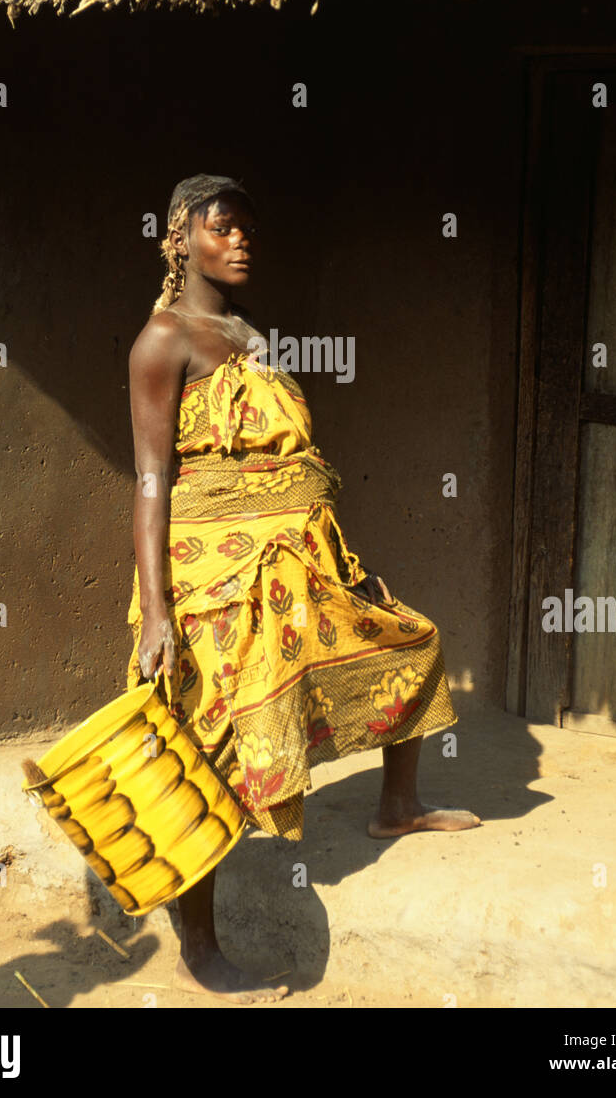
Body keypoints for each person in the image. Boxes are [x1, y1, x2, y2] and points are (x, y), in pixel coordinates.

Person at [126, 173, 480, 1004]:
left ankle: (397, 804)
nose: (243, 240)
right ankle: (199, 947)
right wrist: (154, 610)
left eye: (250, 227)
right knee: (205, 745)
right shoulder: (161, 341)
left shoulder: (244, 330)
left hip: (297, 562)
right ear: (180, 237)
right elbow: (149, 480)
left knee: (408, 639)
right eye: (225, 227)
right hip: (212, 581)